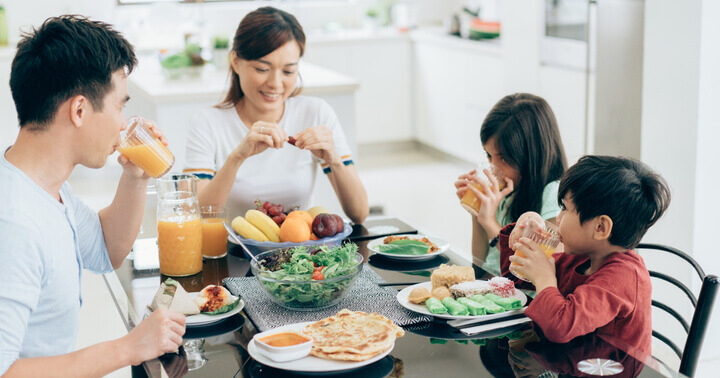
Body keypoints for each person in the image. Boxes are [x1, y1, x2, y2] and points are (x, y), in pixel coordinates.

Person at [0, 16, 185, 376]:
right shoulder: (13, 223)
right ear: (80, 110)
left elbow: (104, 250)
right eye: (120, 106)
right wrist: (130, 347)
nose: (124, 122)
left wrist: (135, 177)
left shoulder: (46, 188)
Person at [184, 7, 368, 223]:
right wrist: (237, 158)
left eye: (288, 71)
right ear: (235, 61)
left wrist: (334, 159)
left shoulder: (315, 113)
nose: (275, 83)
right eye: (262, 69)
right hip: (231, 252)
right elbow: (197, 214)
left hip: (299, 251)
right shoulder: (208, 123)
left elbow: (360, 213)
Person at [499, 155, 671, 354]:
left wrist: (544, 278)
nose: (559, 217)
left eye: (565, 208)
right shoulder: (583, 256)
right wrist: (524, 228)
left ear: (600, 227)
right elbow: (515, 277)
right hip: (572, 361)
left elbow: (560, 327)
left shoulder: (623, 277)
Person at [454, 93, 567, 276]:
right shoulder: (508, 190)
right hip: (491, 284)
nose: (493, 167)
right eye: (488, 155)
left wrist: (491, 223)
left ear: (531, 156)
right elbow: (480, 264)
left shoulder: (553, 195)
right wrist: (478, 212)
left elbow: (539, 267)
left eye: (504, 158)